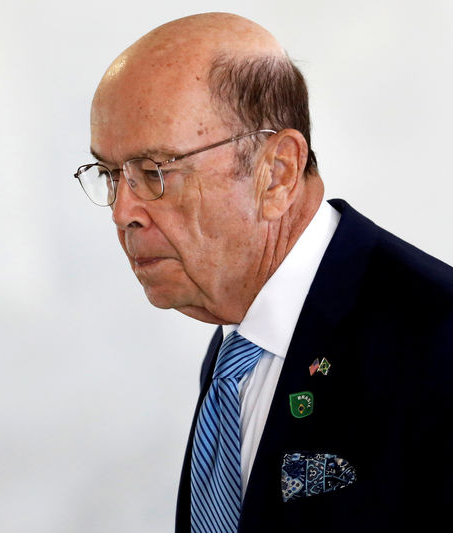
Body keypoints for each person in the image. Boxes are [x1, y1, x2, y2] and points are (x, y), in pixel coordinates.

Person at [73, 12, 453, 533]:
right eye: (110, 174)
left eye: (154, 171)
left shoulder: (438, 339)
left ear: (277, 173)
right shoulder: (237, 346)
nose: (123, 210)